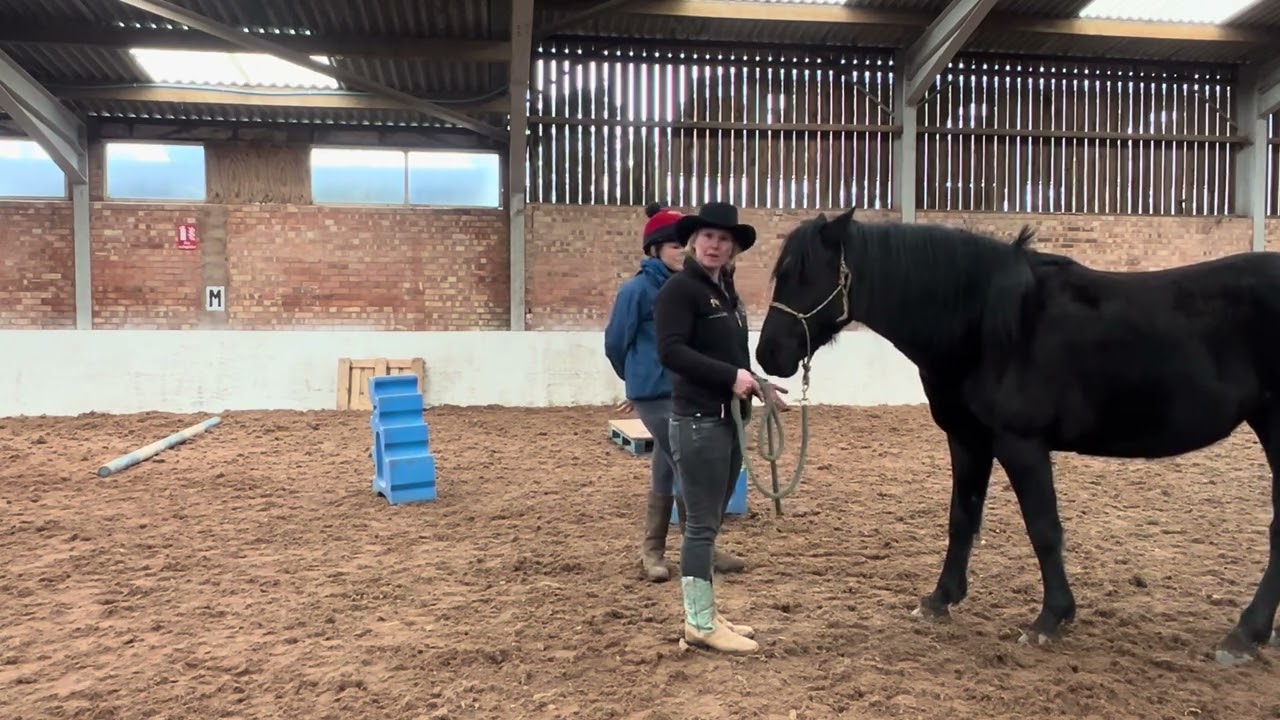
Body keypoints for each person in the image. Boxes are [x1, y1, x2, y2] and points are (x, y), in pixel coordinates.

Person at [654, 200, 786, 654]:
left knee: (710, 522)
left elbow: (733, 358)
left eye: (724, 239)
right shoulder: (680, 291)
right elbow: (670, 352)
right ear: (694, 240)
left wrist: (757, 384)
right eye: (708, 237)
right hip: (697, 421)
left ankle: (705, 611)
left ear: (733, 249)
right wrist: (732, 378)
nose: (715, 245)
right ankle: (699, 622)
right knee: (700, 527)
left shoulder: (725, 293)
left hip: (726, 419)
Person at [604, 201, 689, 583]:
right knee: (686, 462)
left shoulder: (687, 288)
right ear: (656, 249)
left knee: (666, 463)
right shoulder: (636, 290)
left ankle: (653, 550)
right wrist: (637, 379)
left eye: (685, 244)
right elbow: (615, 342)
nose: (683, 251)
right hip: (653, 393)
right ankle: (696, 547)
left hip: (684, 389)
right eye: (675, 245)